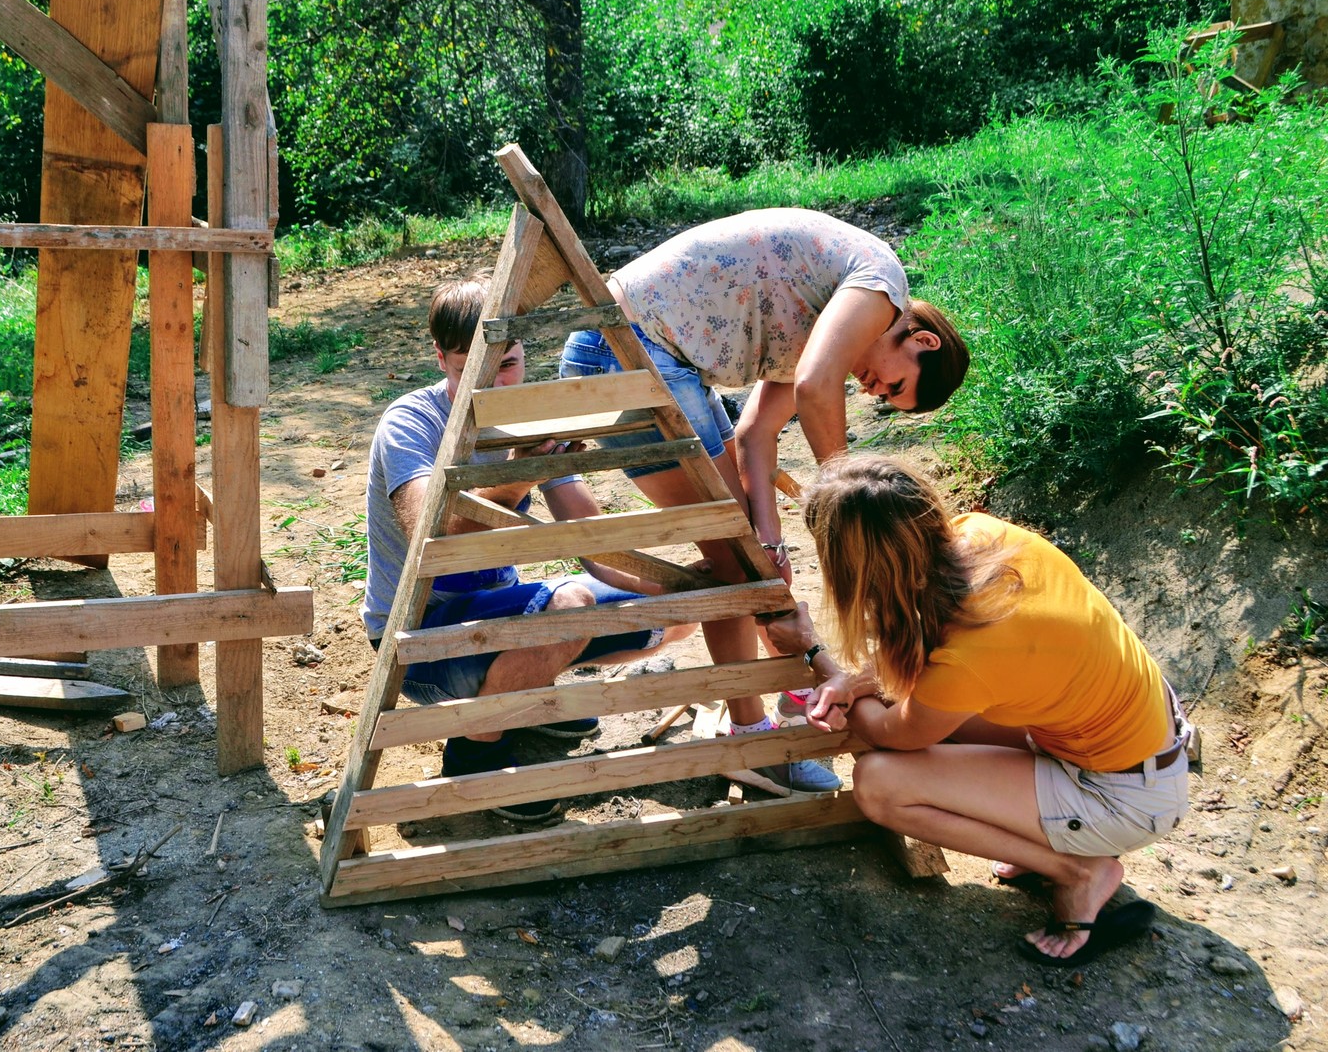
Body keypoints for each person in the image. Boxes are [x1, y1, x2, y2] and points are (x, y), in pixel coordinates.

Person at [560, 208, 968, 789]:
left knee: (747, 558)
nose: (873, 389)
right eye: (893, 384)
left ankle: (769, 710)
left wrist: (771, 536)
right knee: (738, 563)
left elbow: (757, 433)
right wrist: (851, 510)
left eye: (885, 397)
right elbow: (813, 388)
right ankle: (754, 738)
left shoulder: (834, 318)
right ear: (920, 340)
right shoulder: (881, 285)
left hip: (640, 350)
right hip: (627, 348)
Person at [767, 455, 1190, 966]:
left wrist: (815, 655)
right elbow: (922, 666)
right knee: (918, 715)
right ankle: (1050, 837)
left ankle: (1080, 872)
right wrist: (856, 680)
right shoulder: (979, 535)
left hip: (1125, 798)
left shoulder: (971, 657)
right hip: (1139, 747)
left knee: (881, 783)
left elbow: (889, 733)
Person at [361, 273, 697, 822]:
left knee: (673, 617)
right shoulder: (412, 424)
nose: (496, 380)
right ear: (441, 358)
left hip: (496, 623)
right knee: (569, 608)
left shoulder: (530, 417)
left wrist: (680, 587)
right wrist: (518, 478)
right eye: (474, 365)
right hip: (417, 638)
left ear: (524, 352)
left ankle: (524, 698)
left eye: (510, 362)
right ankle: (476, 753)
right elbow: (434, 540)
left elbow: (594, 546)